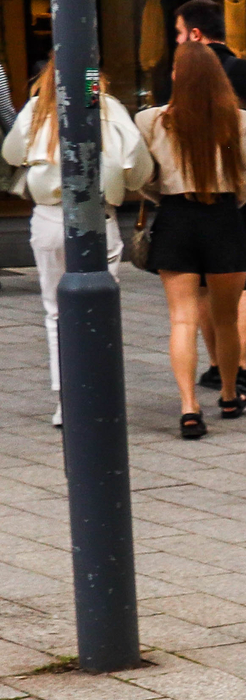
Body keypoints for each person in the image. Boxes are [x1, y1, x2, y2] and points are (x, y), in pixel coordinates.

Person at [6, 62, 149, 427]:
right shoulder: (109, 108)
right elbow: (138, 167)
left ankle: (64, 401)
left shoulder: (36, 110)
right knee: (101, 312)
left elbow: (11, 153)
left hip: (50, 217)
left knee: (56, 313)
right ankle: (99, 395)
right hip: (99, 217)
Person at [172, 0, 246, 405]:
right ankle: (238, 368)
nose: (175, 41)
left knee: (204, 288)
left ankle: (214, 366)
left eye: (176, 33)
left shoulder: (177, 77)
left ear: (194, 34)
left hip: (194, 199)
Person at [137, 43, 246, 439]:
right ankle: (227, 394)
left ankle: (189, 407)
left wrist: (168, 197)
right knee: (225, 319)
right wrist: (222, 198)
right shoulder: (239, 120)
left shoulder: (151, 121)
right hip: (224, 218)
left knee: (182, 318)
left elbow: (142, 178)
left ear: (177, 75)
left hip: (176, 218)